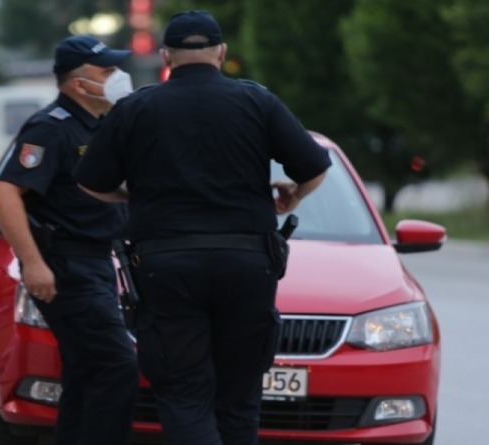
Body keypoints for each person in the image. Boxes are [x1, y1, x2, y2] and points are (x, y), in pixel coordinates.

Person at [73, 10, 331, 445]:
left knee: (184, 393)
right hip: (248, 265)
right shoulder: (258, 102)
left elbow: (90, 181)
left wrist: (132, 196)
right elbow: (314, 167)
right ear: (222, 52)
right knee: (240, 394)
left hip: (167, 267)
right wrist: (292, 196)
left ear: (166, 56)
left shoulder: (137, 107)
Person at [0, 35, 139, 445]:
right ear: (78, 84)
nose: (117, 77)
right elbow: (5, 194)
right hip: (68, 265)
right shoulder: (51, 128)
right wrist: (34, 263)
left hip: (95, 262)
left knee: (85, 371)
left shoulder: (102, 125)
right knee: (117, 366)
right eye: (106, 71)